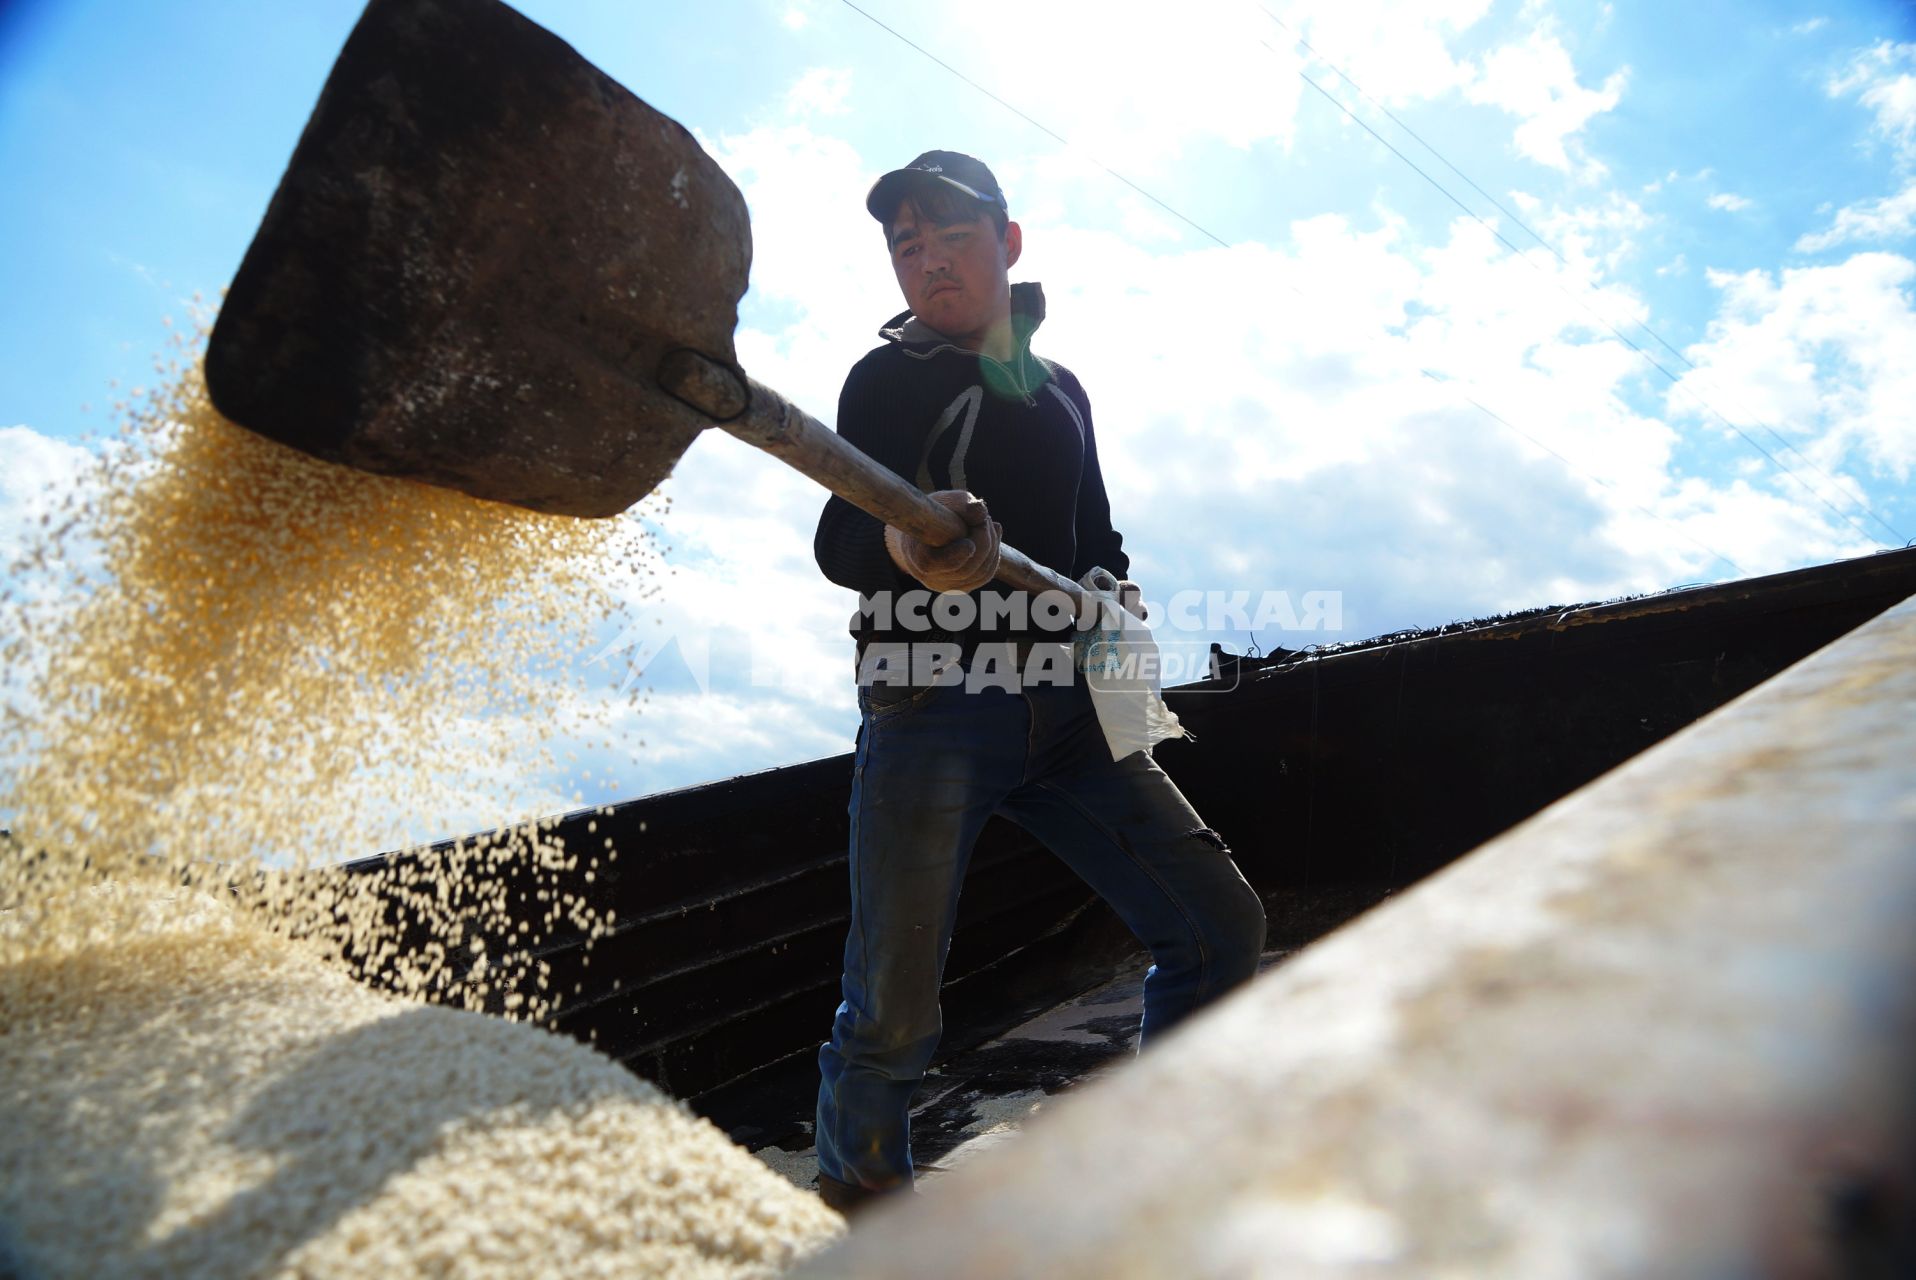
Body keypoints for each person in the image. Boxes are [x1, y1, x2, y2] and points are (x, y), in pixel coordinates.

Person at [809, 150, 1266, 1215]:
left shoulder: (1059, 387)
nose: (925, 262)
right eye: (904, 244)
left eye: (949, 236)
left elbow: (1090, 533)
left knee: (1216, 924)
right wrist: (913, 548)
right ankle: (859, 1205)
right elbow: (840, 537)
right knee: (891, 1008)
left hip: (1067, 710)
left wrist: (1116, 589)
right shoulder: (890, 377)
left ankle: (1165, 1165)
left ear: (1007, 243)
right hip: (931, 706)